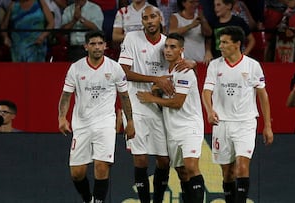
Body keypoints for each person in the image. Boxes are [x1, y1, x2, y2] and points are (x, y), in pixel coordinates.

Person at [118, 6, 195, 203]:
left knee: (164, 160)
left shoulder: (167, 43)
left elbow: (181, 64)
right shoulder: (132, 39)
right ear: (141, 21)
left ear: (160, 18)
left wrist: (191, 62)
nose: (150, 21)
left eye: (153, 17)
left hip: (161, 106)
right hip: (137, 102)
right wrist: (156, 79)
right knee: (141, 158)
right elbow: (123, 71)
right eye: (145, 18)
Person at [58, 30, 135, 203]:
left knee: (101, 166)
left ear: (106, 46)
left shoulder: (114, 68)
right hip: (82, 124)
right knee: (77, 173)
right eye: (93, 44)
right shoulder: (76, 68)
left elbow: (124, 96)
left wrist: (130, 121)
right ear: (86, 46)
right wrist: (62, 117)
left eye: (100, 43)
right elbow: (66, 96)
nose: (97, 47)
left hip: (105, 124)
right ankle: (88, 199)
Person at [201, 26, 274, 203]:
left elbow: (262, 95)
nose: (220, 46)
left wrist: (268, 126)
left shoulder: (252, 66)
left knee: (242, 167)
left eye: (225, 42)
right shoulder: (214, 65)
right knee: (228, 173)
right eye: (220, 42)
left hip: (245, 123)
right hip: (222, 123)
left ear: (237, 44)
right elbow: (206, 92)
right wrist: (210, 111)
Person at [136, 33, 205, 202]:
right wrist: (156, 91)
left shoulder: (185, 71)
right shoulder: (163, 73)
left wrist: (151, 98)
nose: (168, 50)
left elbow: (178, 102)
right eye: (166, 46)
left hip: (190, 126)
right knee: (182, 172)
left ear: (181, 50)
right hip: (172, 129)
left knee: (191, 167)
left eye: (173, 47)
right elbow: (164, 99)